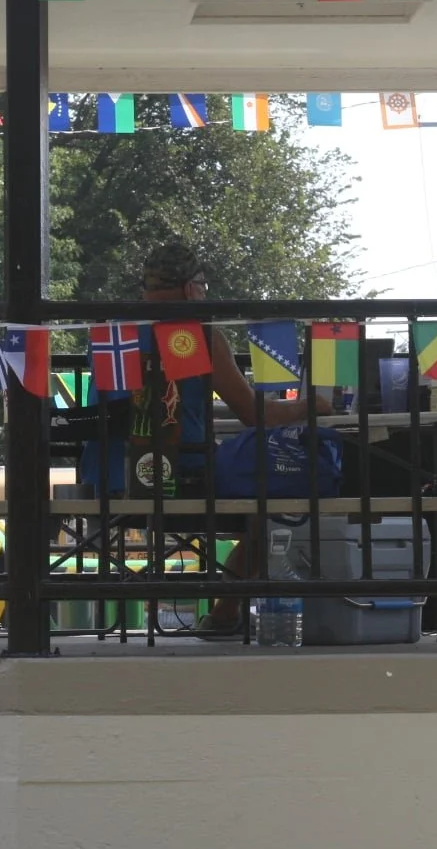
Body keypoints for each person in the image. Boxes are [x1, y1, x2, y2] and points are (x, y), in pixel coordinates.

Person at [126, 238, 330, 636]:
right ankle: (224, 613)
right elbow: (254, 414)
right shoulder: (193, 337)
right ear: (190, 288)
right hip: (176, 475)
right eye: (203, 284)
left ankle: (222, 613)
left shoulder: (118, 335)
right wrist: (312, 406)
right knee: (275, 510)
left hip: (113, 480)